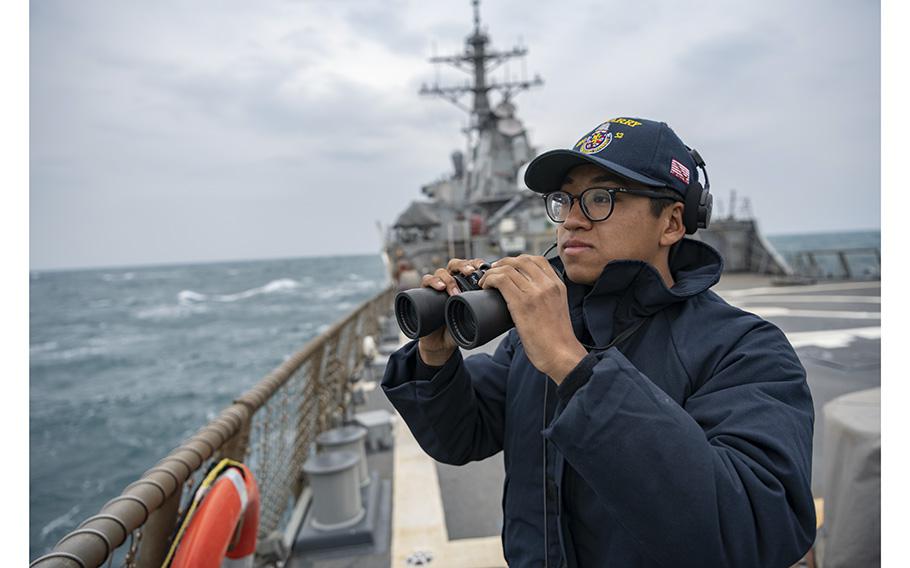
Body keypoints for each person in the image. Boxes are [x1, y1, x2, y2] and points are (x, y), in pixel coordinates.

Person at [381, 117, 816, 567]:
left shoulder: (744, 349)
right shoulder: (539, 334)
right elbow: (461, 437)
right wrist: (434, 356)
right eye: (564, 200)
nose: (571, 220)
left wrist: (573, 366)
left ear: (670, 223)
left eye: (600, 199)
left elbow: (757, 528)